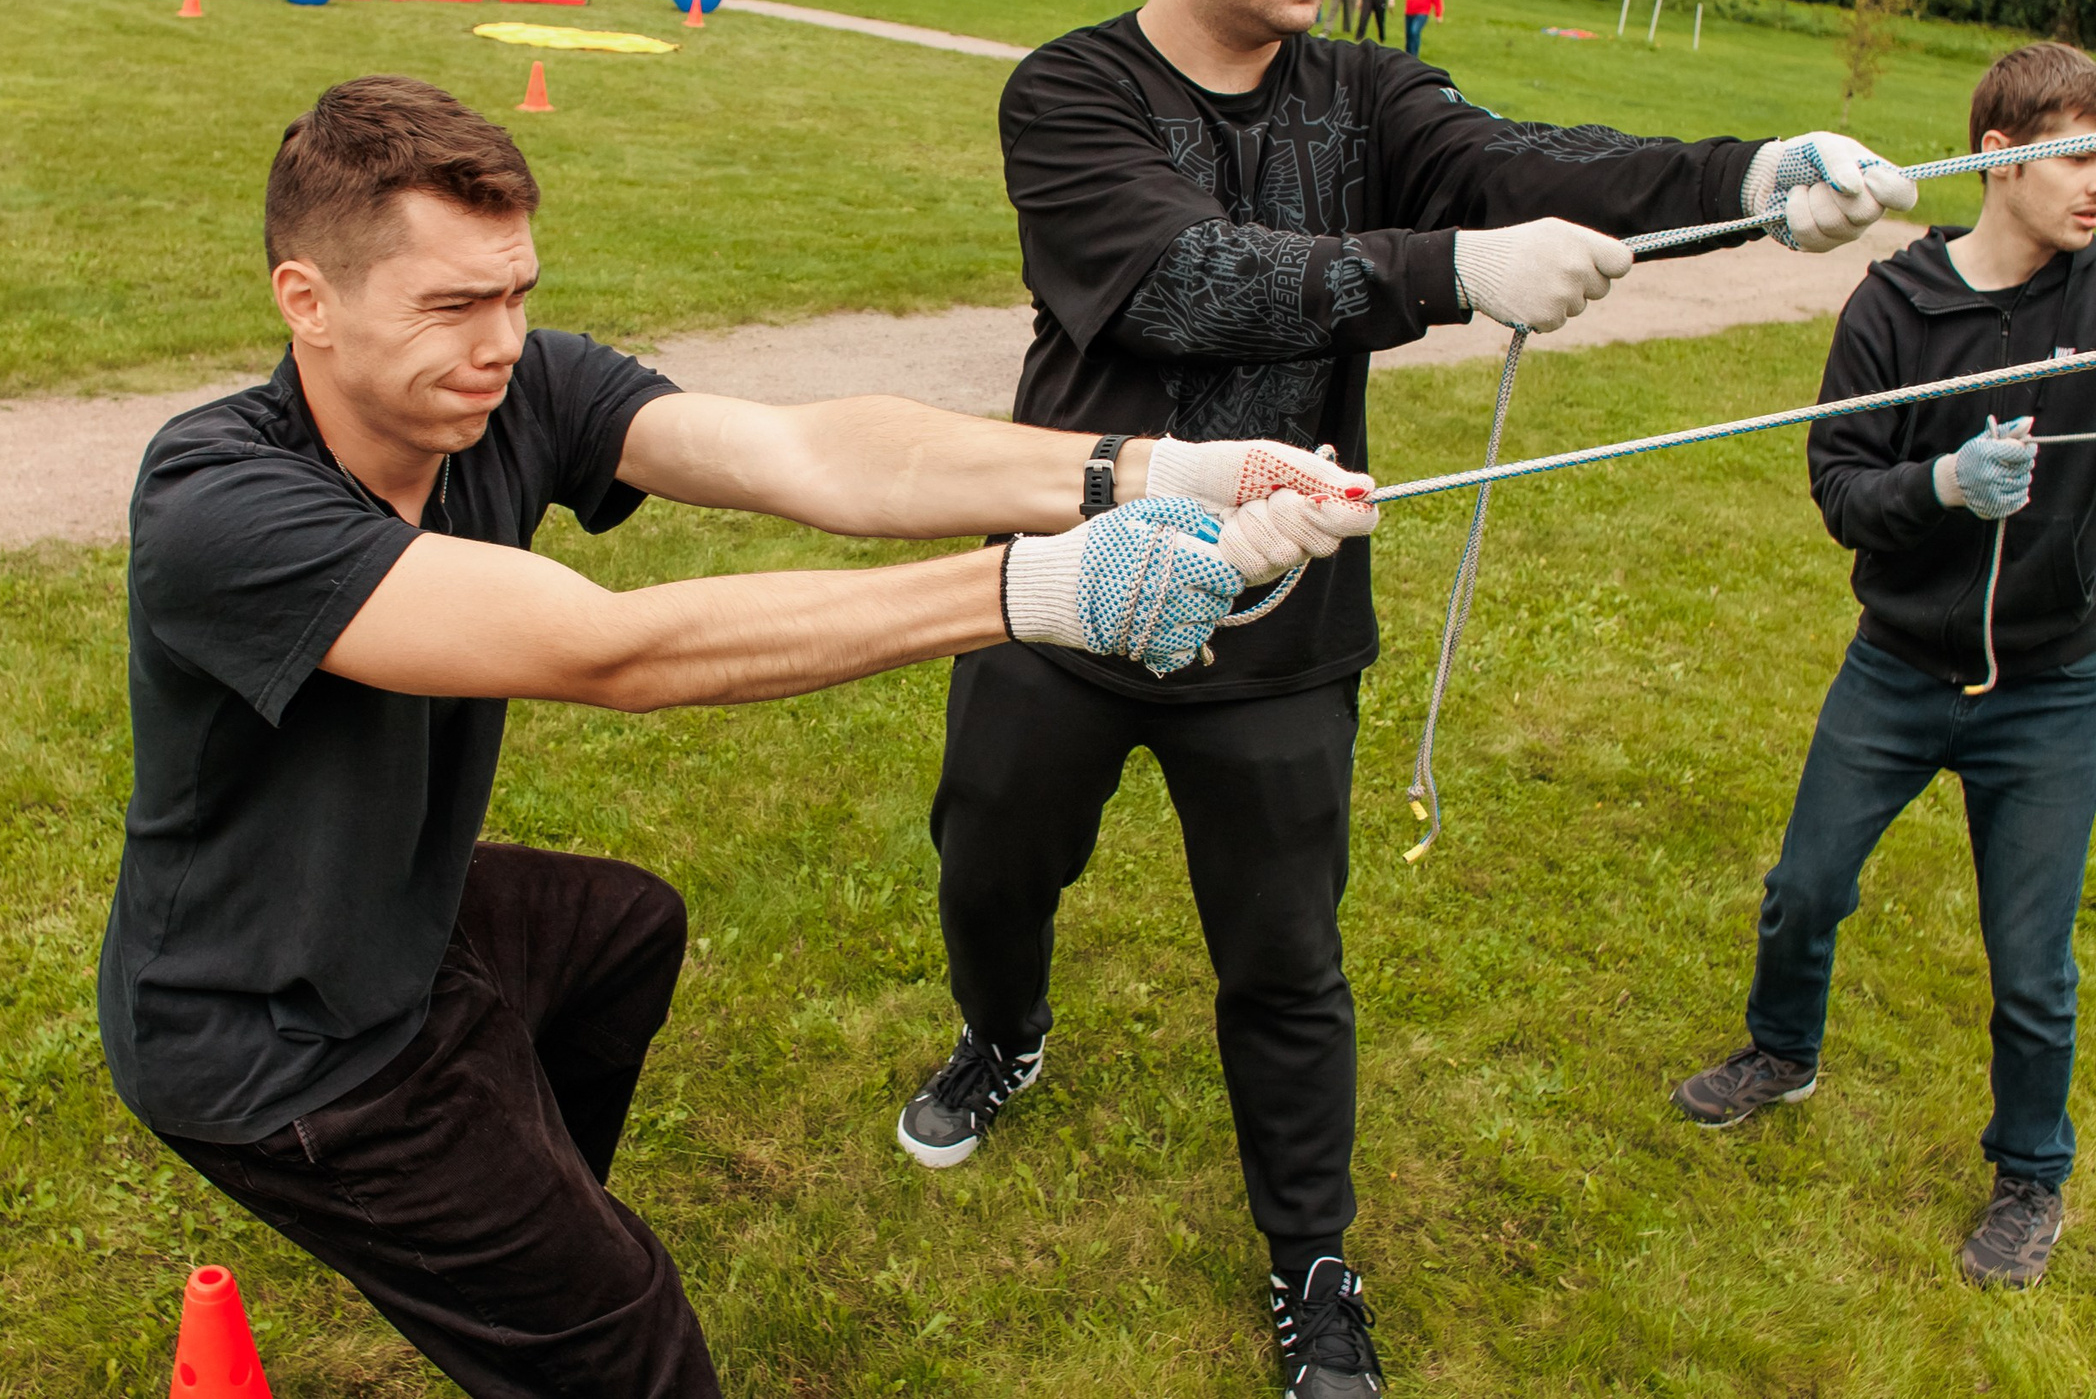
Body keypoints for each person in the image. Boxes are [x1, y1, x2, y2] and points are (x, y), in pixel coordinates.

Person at [99, 74, 1377, 1399]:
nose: (502, 339)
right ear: (307, 300)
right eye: (453, 304)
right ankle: (536, 1282)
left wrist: (1153, 469)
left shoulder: (511, 391)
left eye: (518, 291)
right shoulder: (220, 504)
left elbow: (812, 455)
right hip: (271, 1035)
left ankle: (511, 1245)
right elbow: (610, 648)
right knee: (628, 1332)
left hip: (392, 921)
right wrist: (1042, 587)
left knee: (620, 932)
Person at [888, 0, 1916, 1399]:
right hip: (1068, 589)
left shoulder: (1369, 95)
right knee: (989, 868)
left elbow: (1536, 160)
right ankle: (1004, 1029)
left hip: (1287, 621)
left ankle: (1311, 1269)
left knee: (1289, 964)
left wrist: (1743, 179)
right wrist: (1446, 275)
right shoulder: (1068, 93)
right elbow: (1178, 278)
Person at [1670, 43, 2096, 1290]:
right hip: (1898, 668)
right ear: (1996, 152)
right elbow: (1839, 488)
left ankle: (2031, 1175)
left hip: (2050, 688)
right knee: (1804, 890)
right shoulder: (1893, 307)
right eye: (2083, 154)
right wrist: (1941, 485)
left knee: (2033, 964)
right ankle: (1779, 1052)